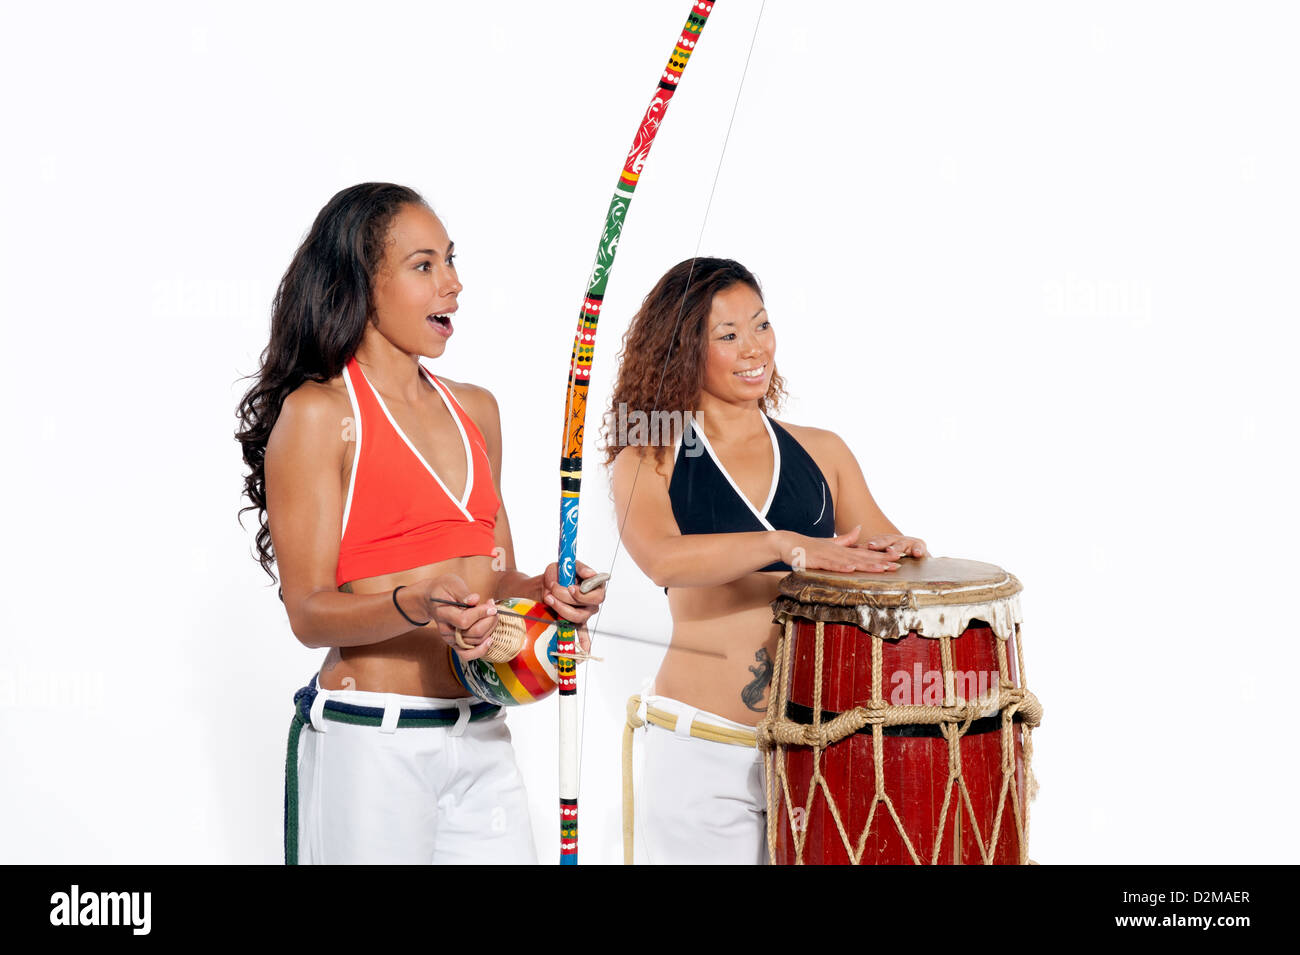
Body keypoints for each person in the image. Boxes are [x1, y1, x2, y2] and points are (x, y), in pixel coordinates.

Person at [236, 182, 605, 864]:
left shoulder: (478, 411)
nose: (454, 285)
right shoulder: (320, 414)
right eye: (425, 265)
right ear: (362, 285)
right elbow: (309, 612)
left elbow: (496, 577)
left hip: (482, 732)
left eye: (452, 261)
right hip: (372, 740)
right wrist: (416, 605)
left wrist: (549, 588)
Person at [605, 258, 927, 864]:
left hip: (819, 745)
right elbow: (664, 560)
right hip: (704, 746)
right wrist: (782, 546)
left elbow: (885, 563)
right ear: (682, 351)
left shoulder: (821, 450)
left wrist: (906, 554)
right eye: (727, 336)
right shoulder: (649, 454)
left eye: (761, 325)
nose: (753, 348)